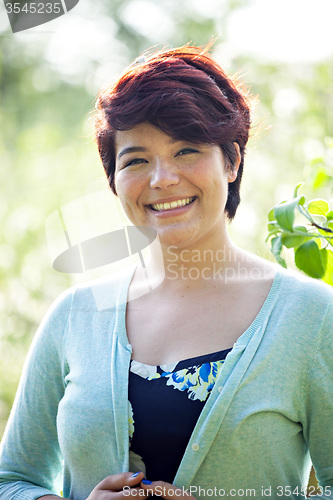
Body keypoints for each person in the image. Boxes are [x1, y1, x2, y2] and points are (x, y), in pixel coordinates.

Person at [0, 45, 332, 500]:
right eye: (136, 160)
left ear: (232, 160)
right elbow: (11, 479)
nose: (161, 179)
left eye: (186, 150)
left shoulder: (311, 317)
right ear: (113, 179)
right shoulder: (74, 316)